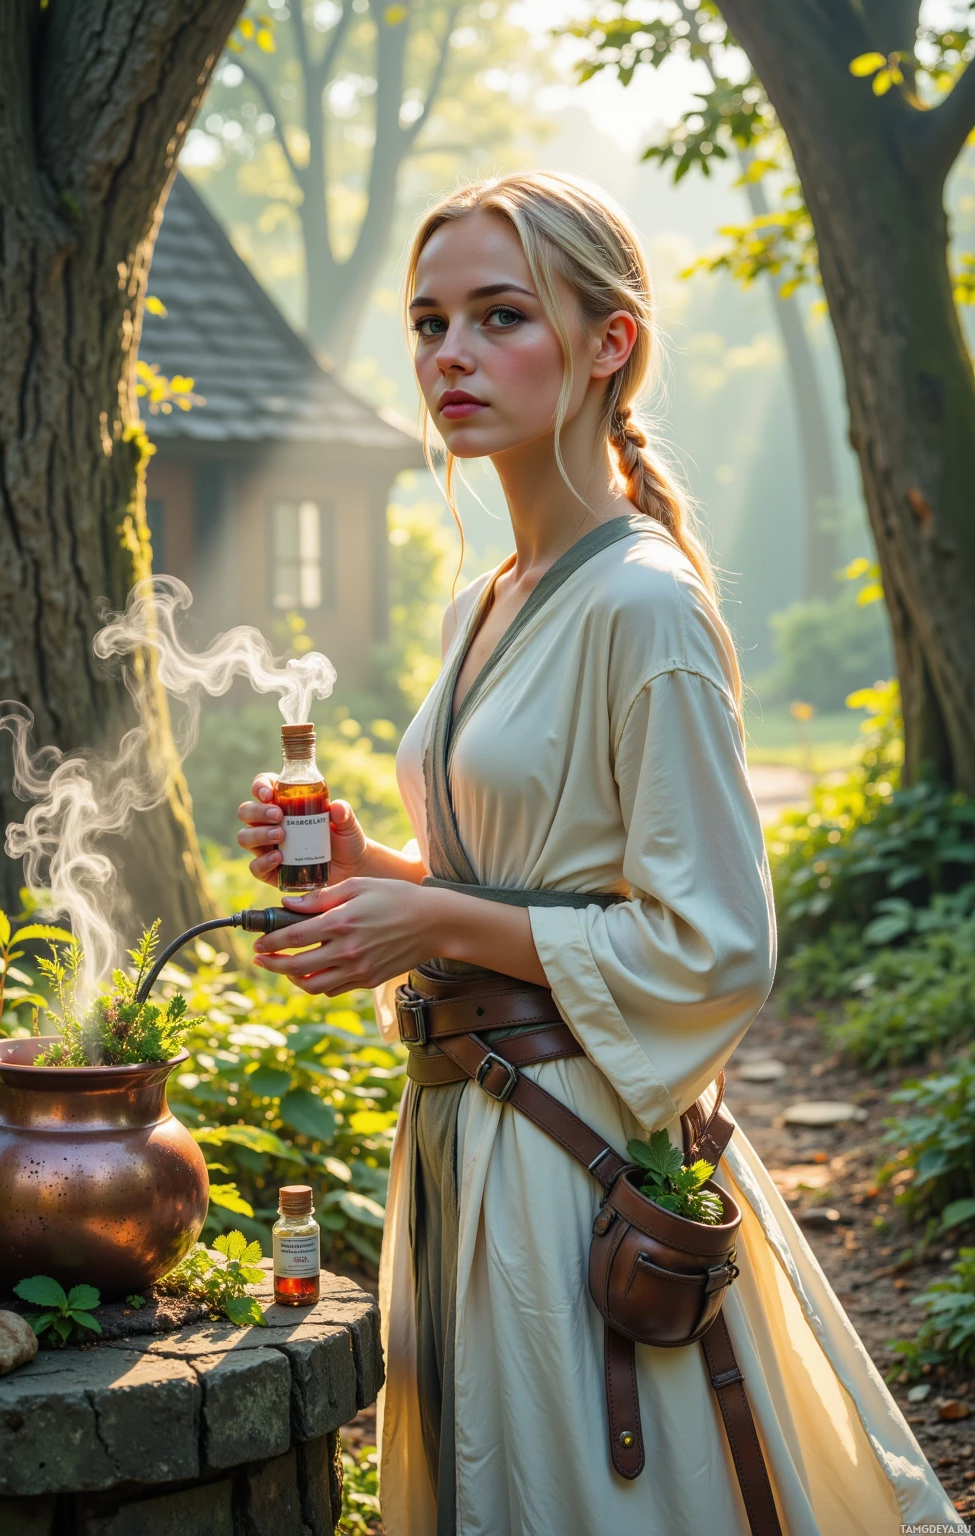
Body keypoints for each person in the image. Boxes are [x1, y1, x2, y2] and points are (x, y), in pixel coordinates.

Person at [238, 172, 957, 1536]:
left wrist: (433, 921)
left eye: (498, 315)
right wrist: (365, 862)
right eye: (428, 321)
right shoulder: (483, 602)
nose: (449, 353)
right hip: (463, 1127)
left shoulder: (644, 606)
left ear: (606, 341)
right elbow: (507, 876)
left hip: (573, 1153)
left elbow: (713, 945)